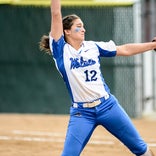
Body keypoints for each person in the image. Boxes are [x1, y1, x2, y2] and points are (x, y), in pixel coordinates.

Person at [39, 0, 156, 155]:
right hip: (82, 113)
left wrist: (153, 45)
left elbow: (125, 49)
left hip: (108, 106)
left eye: (83, 26)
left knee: (140, 149)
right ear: (66, 31)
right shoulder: (60, 50)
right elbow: (55, 13)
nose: (83, 29)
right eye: (78, 26)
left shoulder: (93, 47)